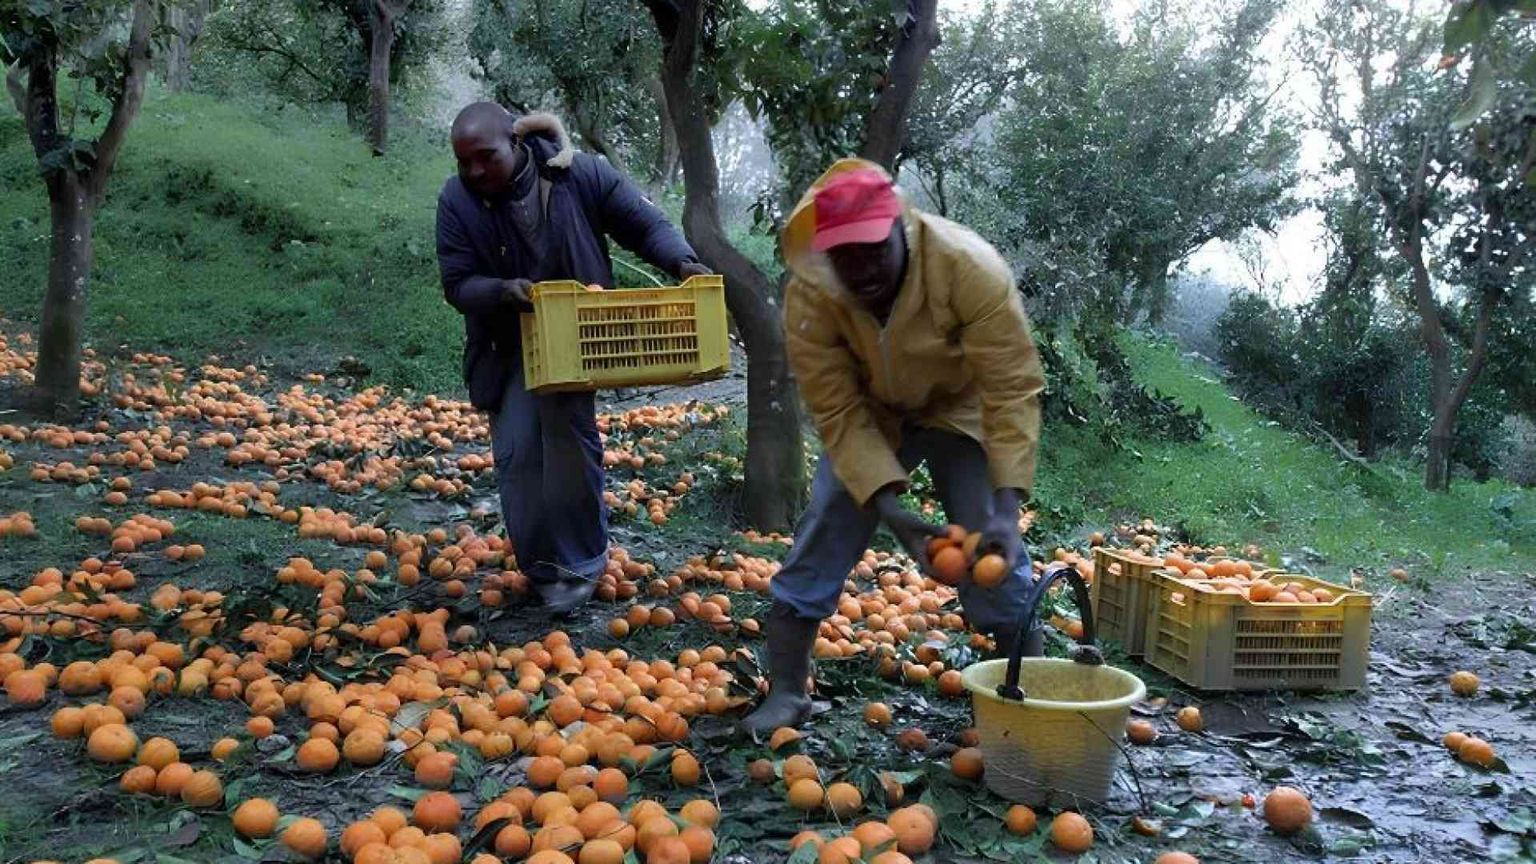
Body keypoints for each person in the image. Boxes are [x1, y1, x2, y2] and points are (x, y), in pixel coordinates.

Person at [743, 160, 1047, 734]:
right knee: (829, 520)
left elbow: (1011, 388)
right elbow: (835, 406)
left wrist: (1006, 510)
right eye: (843, 256)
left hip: (961, 405)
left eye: (872, 249)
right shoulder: (813, 294)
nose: (860, 270)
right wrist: (889, 509)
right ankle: (787, 691)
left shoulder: (967, 268)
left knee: (990, 546)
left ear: (900, 228)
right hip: (872, 412)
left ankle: (1025, 692)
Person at [436, 103, 710, 614]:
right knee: (518, 454)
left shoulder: (577, 175)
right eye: (464, 162)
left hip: (575, 339)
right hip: (507, 346)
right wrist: (502, 290)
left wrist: (682, 261)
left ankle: (580, 565)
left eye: (485, 158)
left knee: (566, 444)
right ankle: (542, 569)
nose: (475, 172)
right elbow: (456, 283)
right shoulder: (457, 201)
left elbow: (643, 224)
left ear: (515, 143)